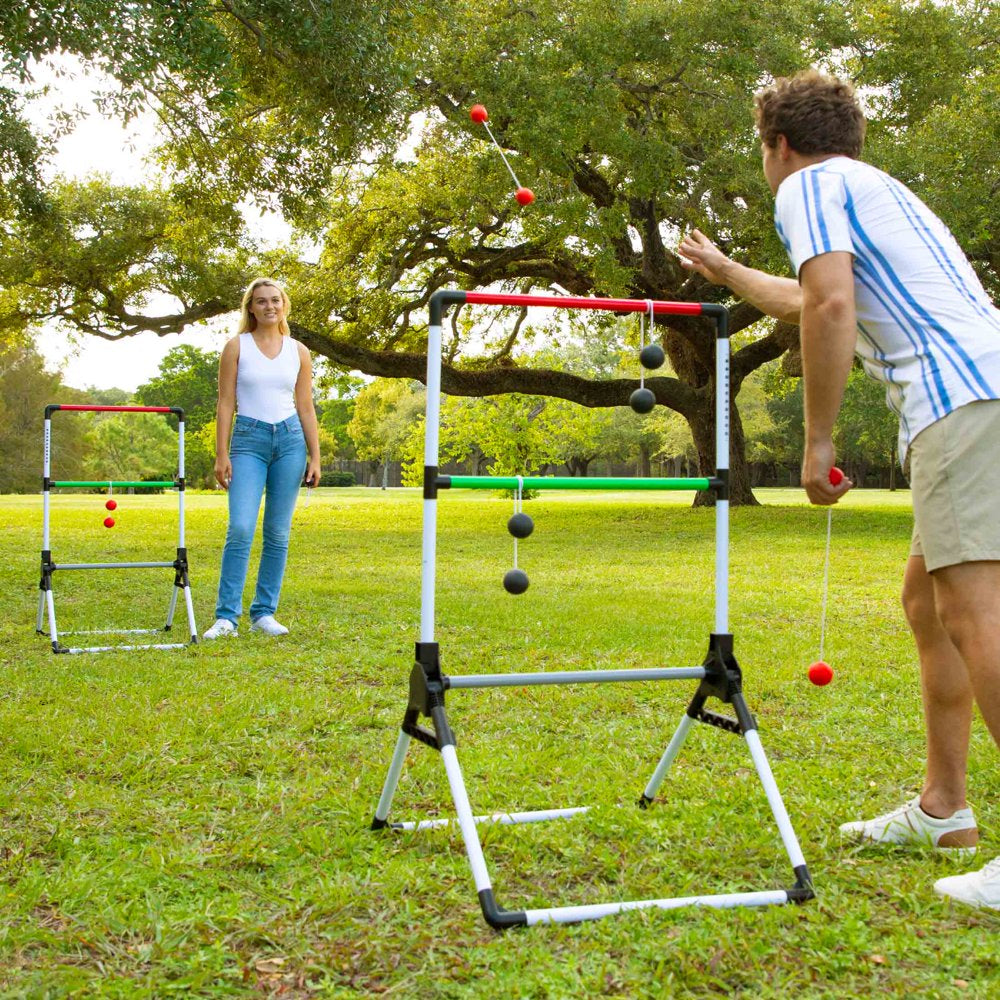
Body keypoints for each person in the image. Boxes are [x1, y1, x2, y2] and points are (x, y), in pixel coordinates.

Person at [678, 70, 1000, 909]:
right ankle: (943, 809)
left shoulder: (809, 186)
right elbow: (813, 294)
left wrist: (817, 443)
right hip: (980, 394)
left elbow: (827, 312)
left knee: (975, 613)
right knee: (928, 606)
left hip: (963, 402)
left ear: (778, 145)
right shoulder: (868, 185)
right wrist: (725, 269)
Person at [202, 277, 321, 640]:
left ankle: (264, 613)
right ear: (250, 308)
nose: (269, 306)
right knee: (240, 528)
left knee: (278, 533)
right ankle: (226, 617)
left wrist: (315, 456)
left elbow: (305, 406)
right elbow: (225, 403)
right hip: (248, 441)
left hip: (289, 442)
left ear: (284, 305)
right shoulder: (236, 347)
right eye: (261, 301)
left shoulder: (298, 351)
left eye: (275, 300)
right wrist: (221, 453)